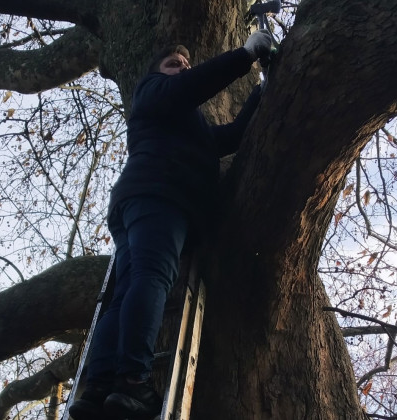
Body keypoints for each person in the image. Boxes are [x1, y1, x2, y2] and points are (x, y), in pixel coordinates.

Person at [69, 30, 273, 420]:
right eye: (173, 64)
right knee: (151, 278)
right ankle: (133, 383)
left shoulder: (184, 125)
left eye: (186, 64)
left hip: (140, 202)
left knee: (125, 291)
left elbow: (227, 137)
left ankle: (98, 388)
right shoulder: (153, 92)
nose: (182, 68)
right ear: (156, 74)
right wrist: (244, 55)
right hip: (160, 196)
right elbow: (189, 88)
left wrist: (260, 94)